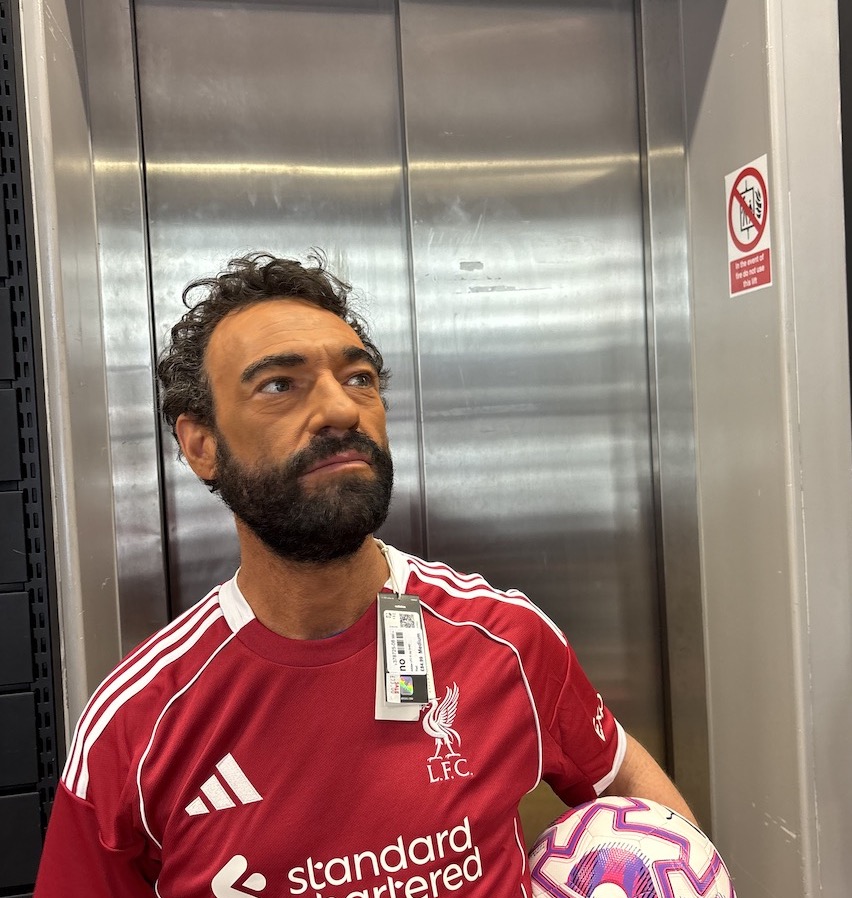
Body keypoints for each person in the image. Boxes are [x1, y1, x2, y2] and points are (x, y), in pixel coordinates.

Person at [34, 253, 695, 898]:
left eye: (358, 378)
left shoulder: (504, 639)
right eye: (279, 384)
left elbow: (625, 784)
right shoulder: (136, 725)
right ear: (201, 445)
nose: (341, 410)